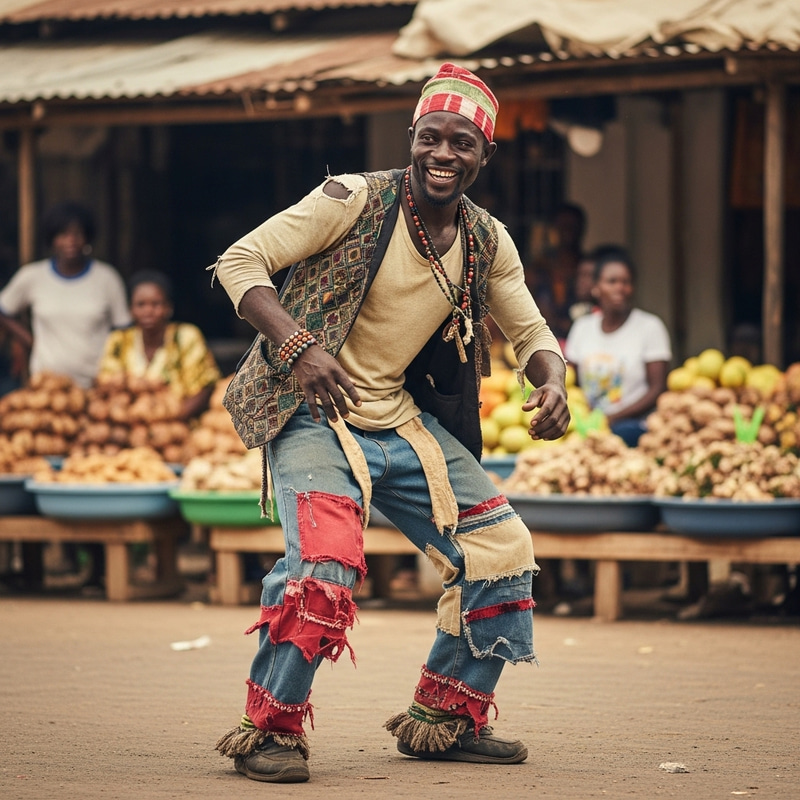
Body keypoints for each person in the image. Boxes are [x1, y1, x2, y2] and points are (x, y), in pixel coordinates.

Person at [210, 62, 570, 783]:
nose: (444, 154)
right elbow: (238, 261)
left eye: (461, 144)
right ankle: (270, 730)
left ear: (483, 156)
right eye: (431, 138)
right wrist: (297, 344)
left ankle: (445, 718)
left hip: (400, 424)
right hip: (314, 413)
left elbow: (530, 332)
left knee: (502, 545)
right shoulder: (351, 198)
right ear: (412, 138)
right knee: (323, 565)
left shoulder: (487, 238)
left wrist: (555, 381)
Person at [0, 201, 131, 389]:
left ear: (87, 238)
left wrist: (116, 376)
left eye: (77, 234)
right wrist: (28, 340)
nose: (71, 241)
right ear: (52, 239)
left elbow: (124, 331)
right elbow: (3, 310)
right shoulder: (33, 276)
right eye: (63, 234)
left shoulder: (106, 278)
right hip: (48, 385)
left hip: (97, 385)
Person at [564, 247, 671, 446]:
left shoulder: (650, 327)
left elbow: (658, 388)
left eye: (626, 282)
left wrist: (613, 418)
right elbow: (571, 381)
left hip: (634, 426)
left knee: (622, 433)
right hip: (587, 425)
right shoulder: (582, 328)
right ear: (596, 287)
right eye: (612, 282)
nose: (620, 288)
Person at [97, 269, 221, 420]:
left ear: (169, 308)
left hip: (179, 428)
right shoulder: (119, 340)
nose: (148, 311)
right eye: (141, 305)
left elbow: (204, 387)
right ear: (131, 310)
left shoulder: (186, 337)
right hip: (129, 427)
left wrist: (170, 419)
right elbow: (108, 386)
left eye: (156, 304)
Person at [526, 202, 586, 345]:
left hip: (581, 340)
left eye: (573, 227)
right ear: (554, 229)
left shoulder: (587, 268)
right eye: (563, 227)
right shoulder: (538, 267)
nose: (568, 232)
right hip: (542, 338)